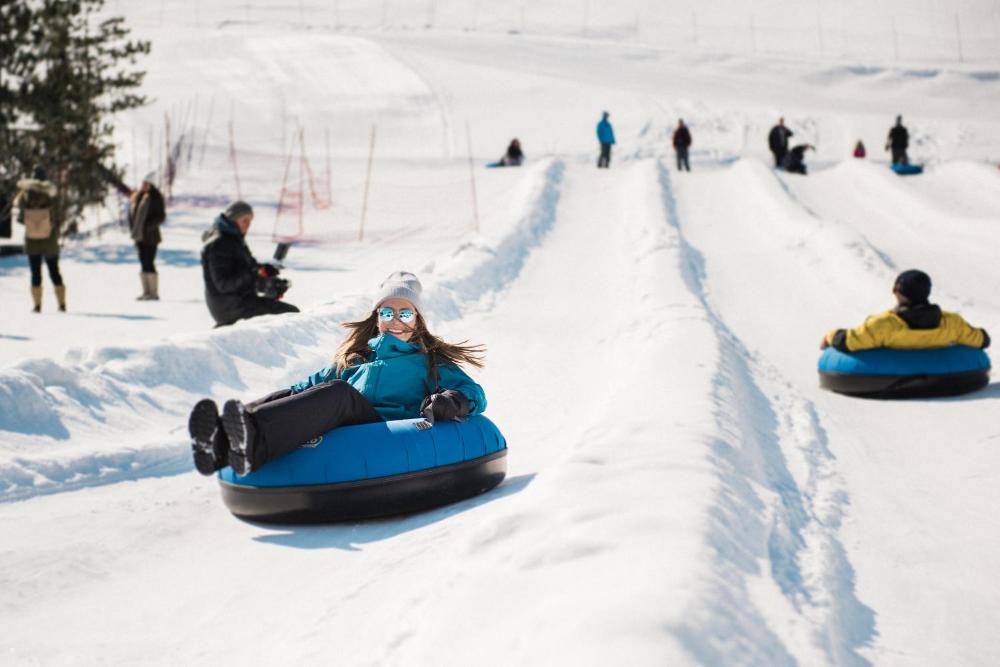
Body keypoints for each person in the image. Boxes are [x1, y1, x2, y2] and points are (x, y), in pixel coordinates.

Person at [187, 271, 488, 475]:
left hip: (384, 432)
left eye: (405, 313)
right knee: (300, 391)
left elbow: (474, 393)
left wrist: (452, 401)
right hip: (345, 425)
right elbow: (307, 386)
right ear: (377, 317)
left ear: (417, 320)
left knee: (340, 393)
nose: (395, 320)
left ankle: (254, 438)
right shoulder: (356, 357)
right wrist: (275, 401)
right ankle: (222, 440)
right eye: (387, 312)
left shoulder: (429, 362)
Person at [821, 269, 990, 353]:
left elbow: (849, 341)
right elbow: (982, 340)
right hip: (943, 379)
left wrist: (830, 335)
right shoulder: (951, 323)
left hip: (887, 380)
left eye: (896, 289)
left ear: (900, 294)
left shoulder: (884, 325)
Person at [200, 200, 299, 327]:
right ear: (233, 220)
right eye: (244, 220)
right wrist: (255, 272)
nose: (248, 225)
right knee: (291, 314)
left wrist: (268, 281)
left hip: (240, 302)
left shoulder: (234, 241)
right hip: (230, 307)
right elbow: (223, 284)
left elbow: (248, 270)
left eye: (250, 221)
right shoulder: (219, 244)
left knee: (290, 314)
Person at [13, 165, 66, 313]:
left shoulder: (26, 193)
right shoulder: (51, 193)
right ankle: (62, 304)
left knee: (35, 272)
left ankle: (37, 306)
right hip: (49, 239)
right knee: (54, 271)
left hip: (32, 239)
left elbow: (18, 209)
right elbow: (58, 214)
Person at [128, 172, 166, 301]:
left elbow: (161, 217)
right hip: (139, 236)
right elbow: (133, 214)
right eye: (143, 183)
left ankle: (153, 293)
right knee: (143, 262)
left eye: (146, 184)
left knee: (149, 262)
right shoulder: (138, 197)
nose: (143, 186)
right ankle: (146, 291)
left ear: (151, 185)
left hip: (151, 237)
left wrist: (148, 226)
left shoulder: (156, 198)